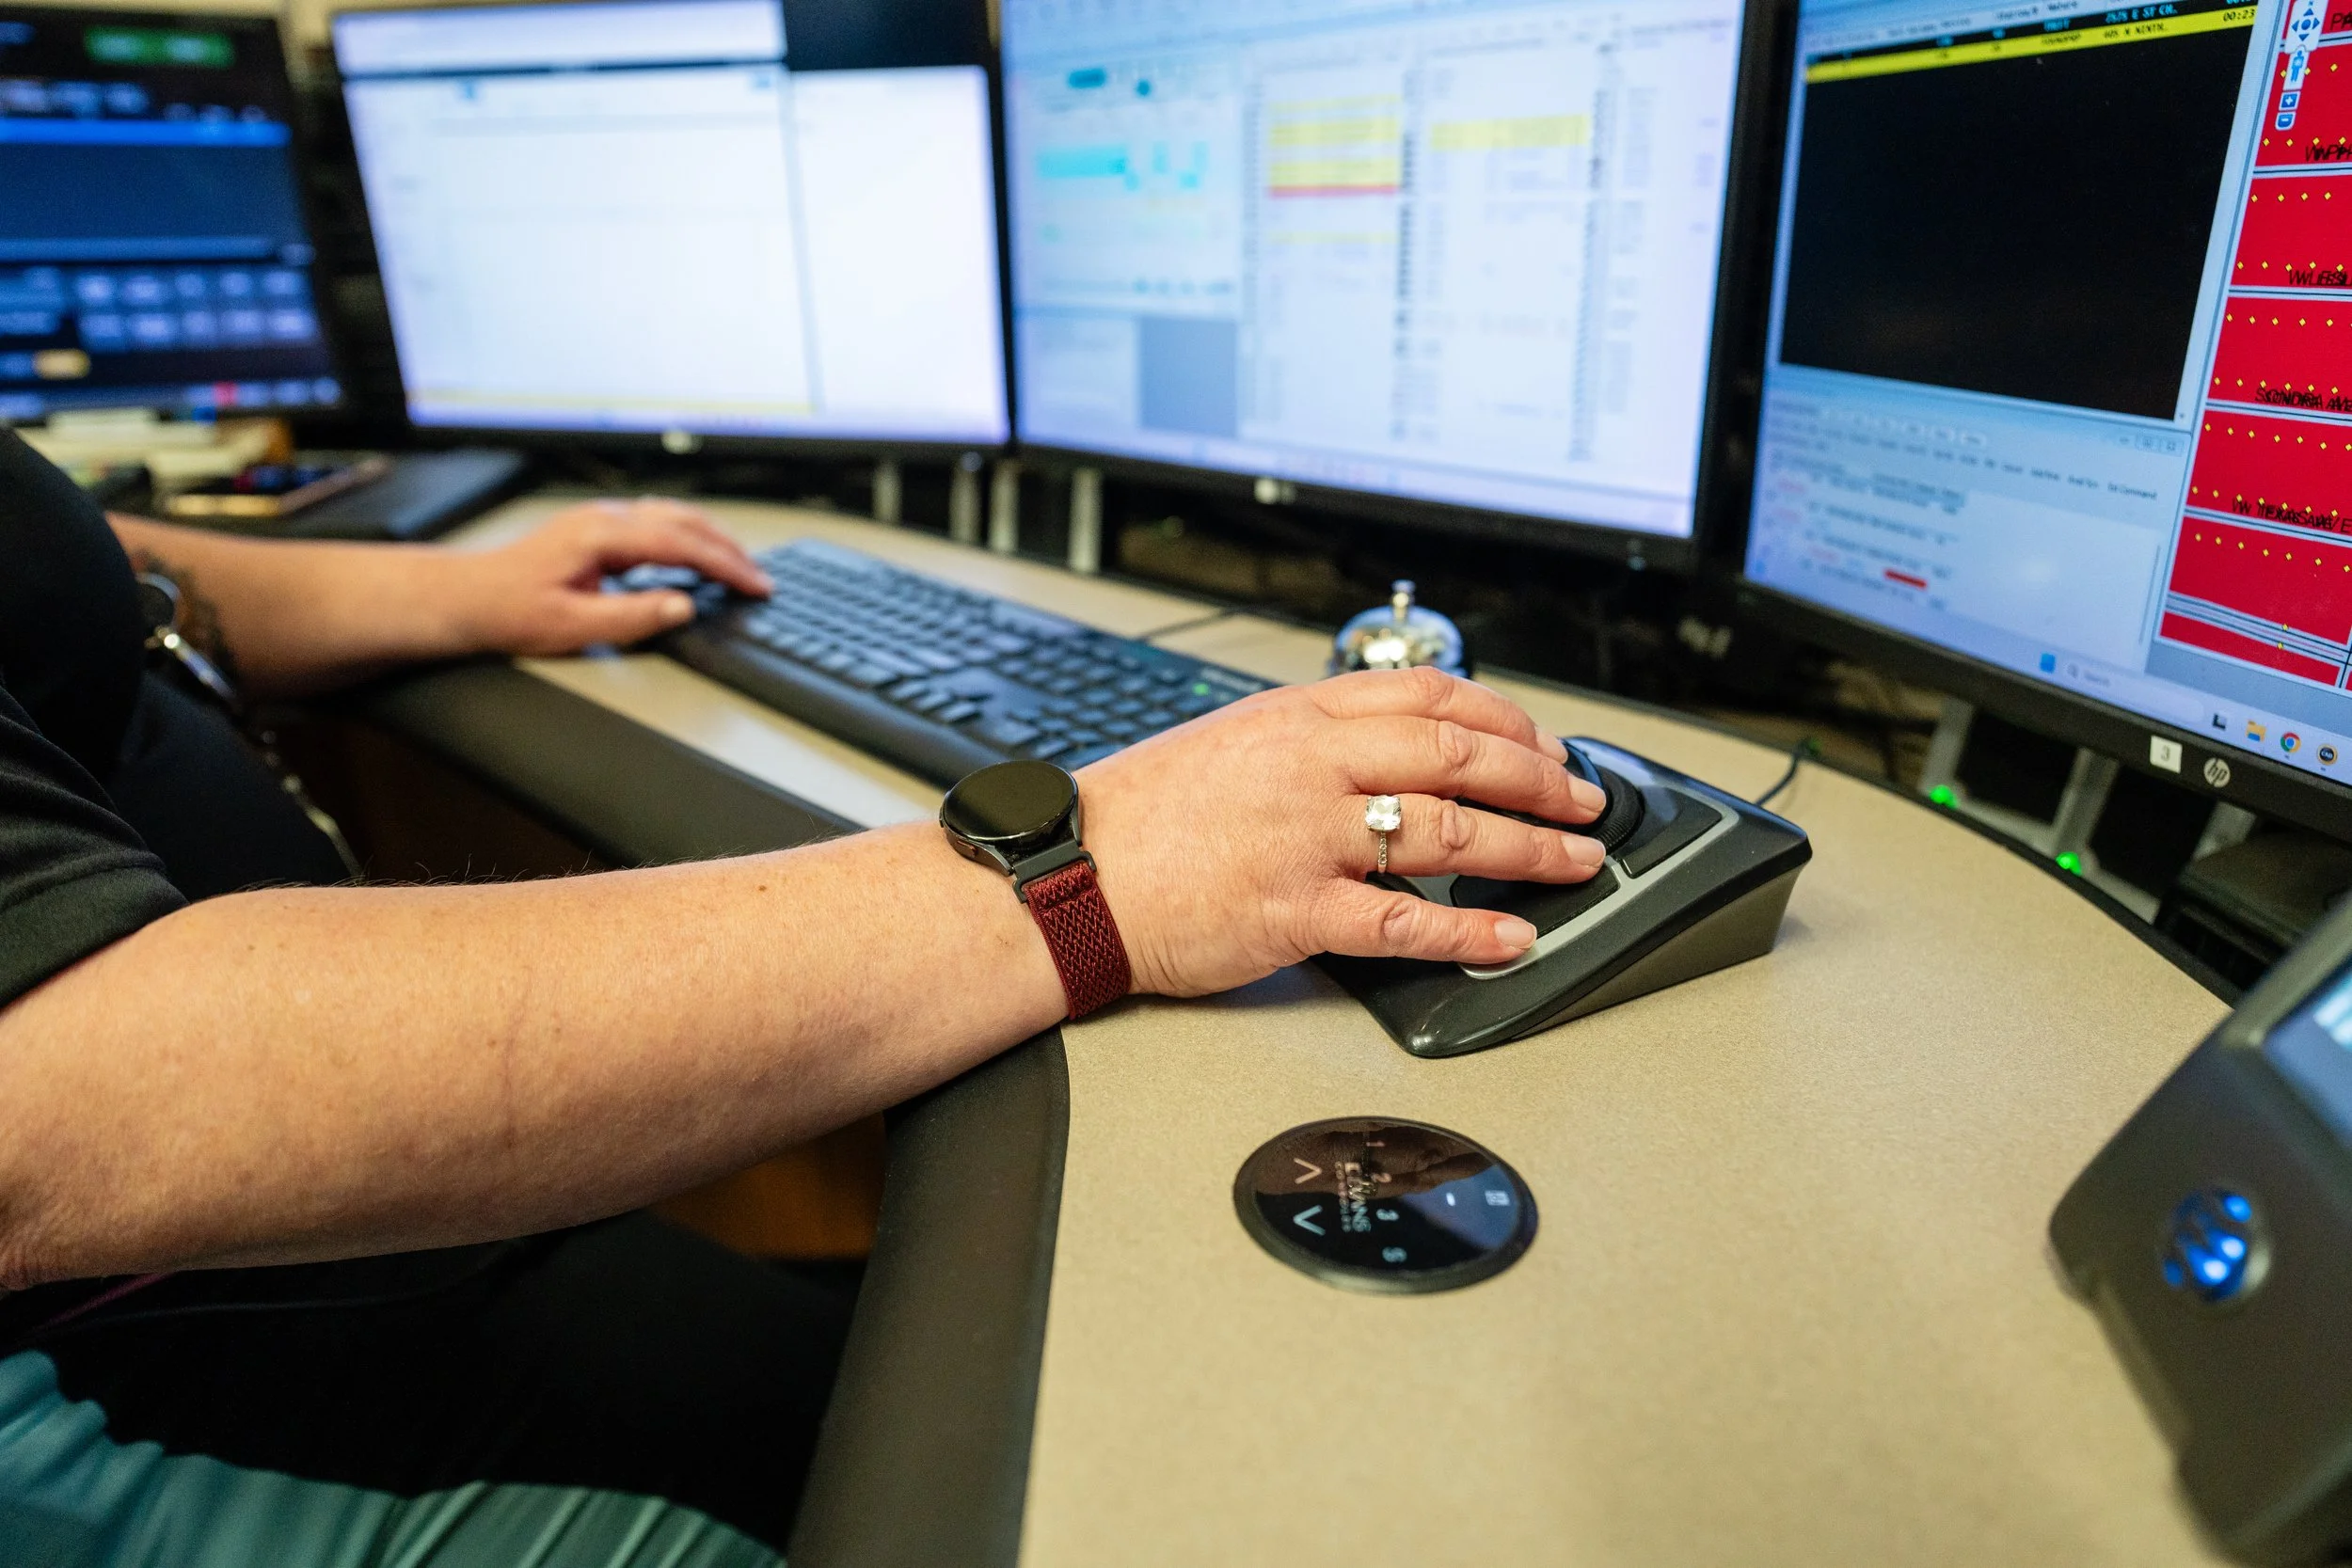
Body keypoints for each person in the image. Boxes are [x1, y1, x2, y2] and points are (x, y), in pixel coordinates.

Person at [0, 427, 1606, 1566]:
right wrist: (1089, 875)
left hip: (343, 1248)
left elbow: (61, 565)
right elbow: (65, 1094)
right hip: (129, 1361)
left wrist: (445, 593)